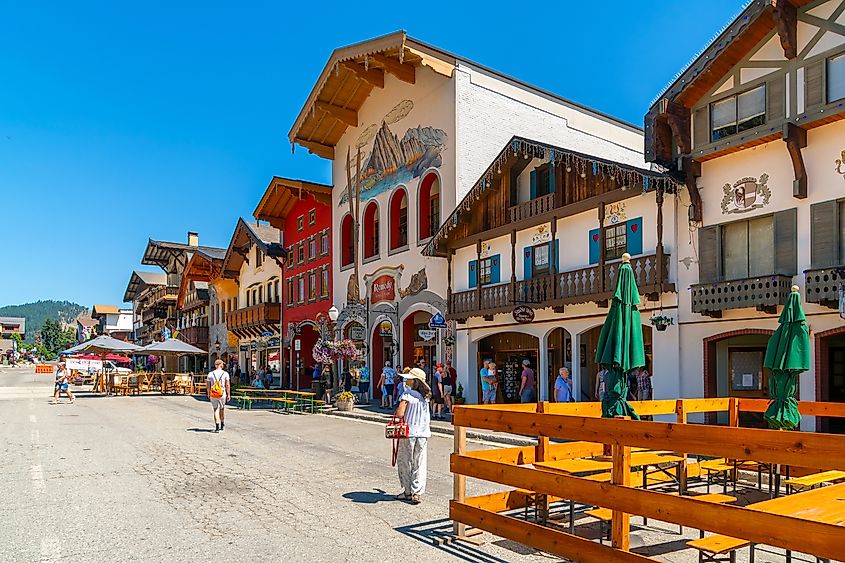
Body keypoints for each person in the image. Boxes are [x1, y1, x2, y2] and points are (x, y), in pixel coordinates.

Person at [393, 368, 432, 505]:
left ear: (414, 381)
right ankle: (417, 492)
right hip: (423, 433)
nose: (406, 380)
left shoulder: (407, 395)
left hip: (408, 432)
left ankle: (407, 491)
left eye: (409, 378)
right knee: (419, 462)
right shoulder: (425, 397)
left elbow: (400, 414)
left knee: (406, 462)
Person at [207, 359, 231, 433]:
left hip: (213, 393)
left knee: (215, 409)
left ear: (215, 365)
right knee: (222, 408)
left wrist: (208, 393)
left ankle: (217, 426)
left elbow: (208, 385)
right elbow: (227, 385)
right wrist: (228, 394)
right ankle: (222, 424)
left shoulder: (210, 374)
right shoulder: (225, 373)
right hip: (222, 393)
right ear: (221, 365)